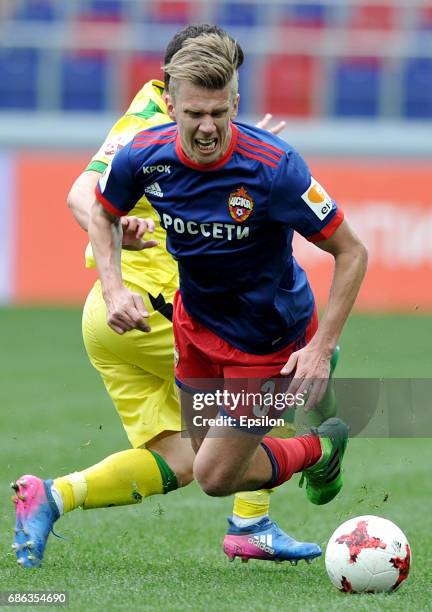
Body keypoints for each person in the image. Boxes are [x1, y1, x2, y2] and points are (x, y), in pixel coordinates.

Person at [11, 25, 323, 569]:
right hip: (153, 309)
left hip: (113, 319)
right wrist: (115, 227)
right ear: (173, 84)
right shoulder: (150, 124)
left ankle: (51, 495)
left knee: (179, 460)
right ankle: (252, 520)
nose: (210, 119)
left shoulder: (164, 113)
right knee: (279, 376)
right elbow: (80, 193)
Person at [88, 31, 367, 541]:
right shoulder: (142, 156)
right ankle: (304, 444)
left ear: (236, 102)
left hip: (268, 337)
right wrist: (112, 289)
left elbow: (352, 252)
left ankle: (323, 448)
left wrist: (321, 349)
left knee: (214, 477)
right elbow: (101, 212)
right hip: (195, 328)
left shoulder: (275, 167)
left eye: (220, 111)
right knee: (204, 456)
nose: (209, 127)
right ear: (169, 104)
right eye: (195, 113)